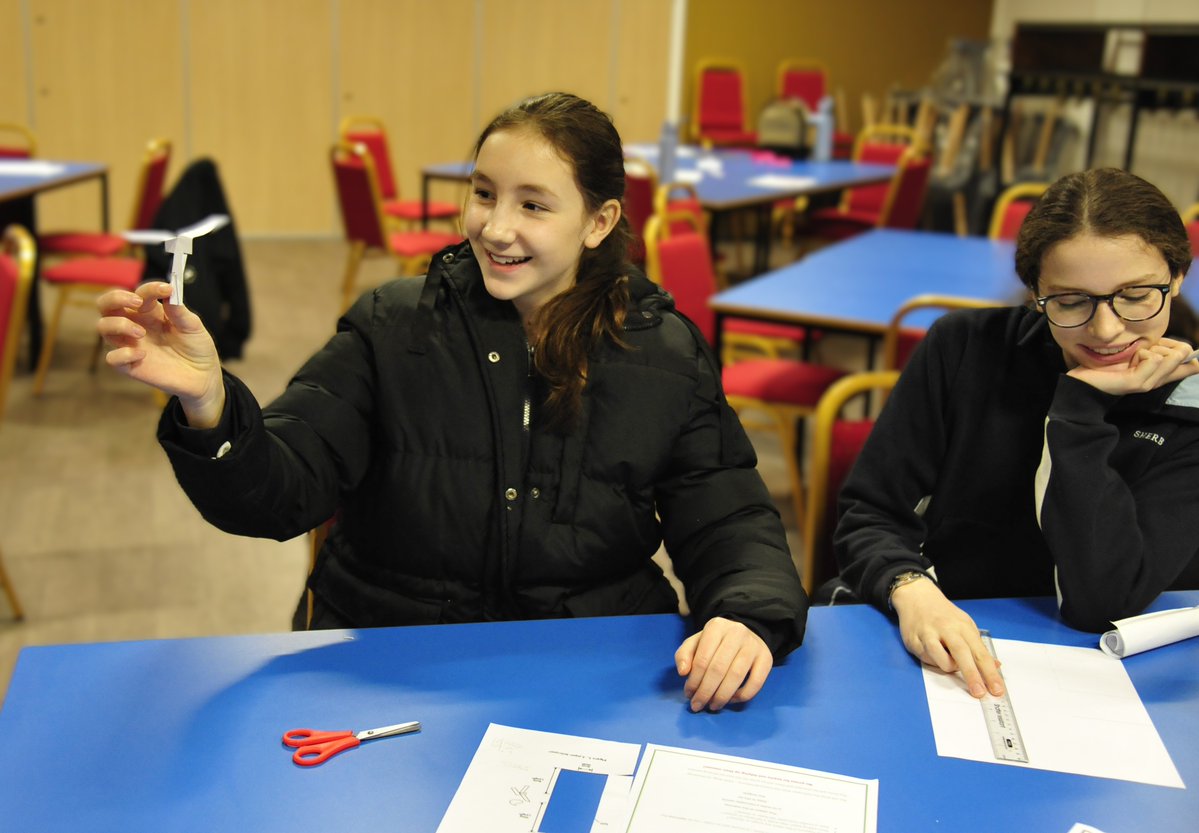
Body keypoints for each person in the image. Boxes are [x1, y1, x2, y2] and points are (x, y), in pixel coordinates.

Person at [96, 92, 808, 712]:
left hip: (593, 673)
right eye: (484, 193)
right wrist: (210, 402)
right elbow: (277, 493)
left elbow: (731, 519)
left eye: (533, 204)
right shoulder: (393, 326)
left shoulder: (661, 353)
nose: (496, 227)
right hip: (391, 666)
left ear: (598, 222)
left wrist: (745, 615)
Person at [833, 167, 1199, 699]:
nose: (1107, 329)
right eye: (1072, 301)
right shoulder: (963, 349)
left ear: (1178, 278)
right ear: (1035, 293)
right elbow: (868, 512)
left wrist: (1079, 408)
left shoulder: (1189, 407)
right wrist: (912, 590)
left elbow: (1101, 600)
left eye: (1137, 295)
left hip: (1102, 679)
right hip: (943, 643)